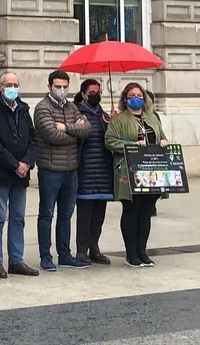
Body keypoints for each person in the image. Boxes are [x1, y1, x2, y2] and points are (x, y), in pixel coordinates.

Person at [0, 70, 39, 279]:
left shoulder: (23, 109)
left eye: (15, 85)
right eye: (9, 85)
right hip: (1, 173)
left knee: (18, 218)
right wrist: (14, 164)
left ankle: (16, 260)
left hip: (21, 174)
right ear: (0, 87)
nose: (12, 89)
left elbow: (33, 139)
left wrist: (27, 163)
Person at [104, 83, 168, 268]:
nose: (136, 97)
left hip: (151, 169)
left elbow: (161, 135)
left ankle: (142, 250)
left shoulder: (152, 117)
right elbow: (109, 141)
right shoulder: (119, 119)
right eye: (132, 95)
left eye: (139, 94)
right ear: (125, 98)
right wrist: (130, 145)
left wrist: (163, 141)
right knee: (132, 210)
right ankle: (131, 253)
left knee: (146, 211)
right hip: (129, 169)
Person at [33, 69, 90, 271]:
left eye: (65, 87)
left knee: (66, 214)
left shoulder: (72, 106)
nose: (62, 90)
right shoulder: (42, 108)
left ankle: (64, 254)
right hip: (50, 169)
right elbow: (51, 136)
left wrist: (65, 127)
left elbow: (87, 129)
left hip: (70, 169)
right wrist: (75, 131)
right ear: (50, 87)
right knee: (46, 214)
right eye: (58, 87)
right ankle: (45, 256)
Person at [73, 79, 113, 265]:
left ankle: (94, 247)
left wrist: (113, 122)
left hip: (103, 171)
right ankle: (82, 250)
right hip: (85, 170)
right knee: (85, 214)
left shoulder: (104, 116)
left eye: (98, 91)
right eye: (92, 92)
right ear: (83, 94)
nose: (95, 95)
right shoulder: (77, 113)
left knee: (99, 214)